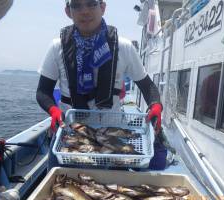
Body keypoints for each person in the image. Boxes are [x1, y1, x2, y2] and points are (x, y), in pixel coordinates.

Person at [36, 0, 162, 134]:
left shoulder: (124, 47)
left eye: (91, 4)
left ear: (102, 7)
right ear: (68, 12)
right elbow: (43, 92)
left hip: (111, 133)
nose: (84, 11)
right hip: (70, 132)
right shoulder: (57, 47)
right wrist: (53, 110)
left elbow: (147, 86)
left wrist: (155, 105)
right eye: (76, 5)